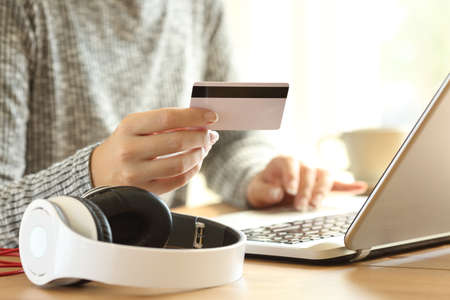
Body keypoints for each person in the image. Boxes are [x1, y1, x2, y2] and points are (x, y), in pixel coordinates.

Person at [0, 0, 366, 247]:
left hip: (161, 256)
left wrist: (255, 177)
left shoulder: (198, 6)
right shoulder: (19, 11)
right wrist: (93, 177)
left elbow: (229, 141)